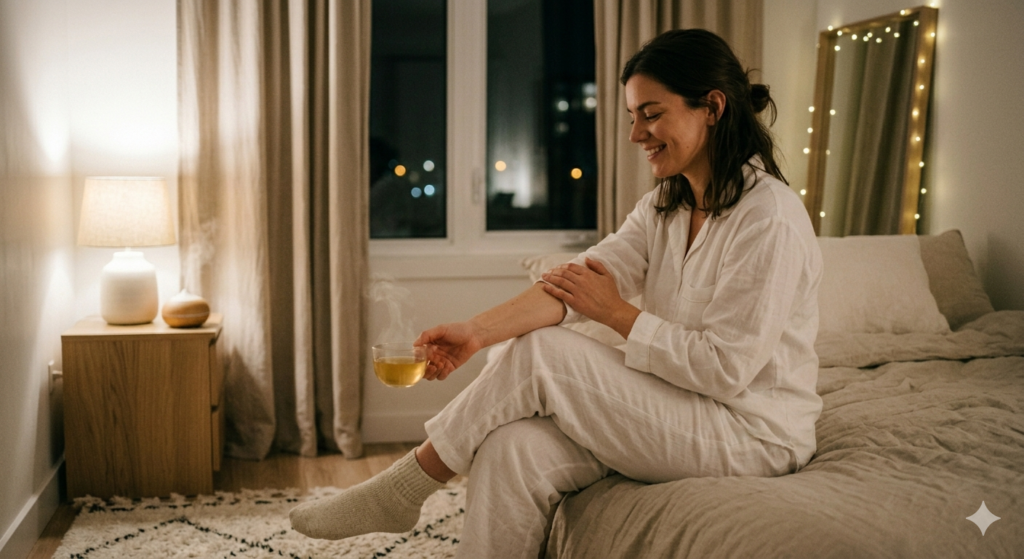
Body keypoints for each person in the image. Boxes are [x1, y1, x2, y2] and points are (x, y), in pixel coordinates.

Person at [290, 28, 823, 558]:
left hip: (750, 434)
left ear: (711, 107)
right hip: (676, 406)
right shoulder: (668, 203)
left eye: (652, 114)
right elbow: (572, 283)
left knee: (544, 353)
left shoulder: (767, 218)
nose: (636, 134)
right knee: (509, 448)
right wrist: (475, 333)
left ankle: (405, 487)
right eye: (633, 116)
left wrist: (616, 314)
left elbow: (724, 370)